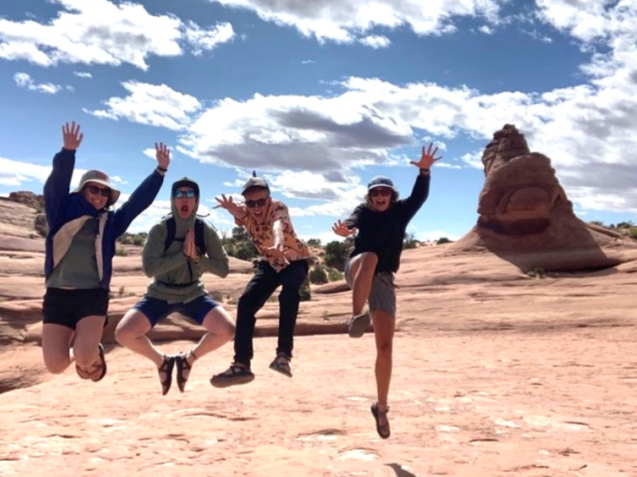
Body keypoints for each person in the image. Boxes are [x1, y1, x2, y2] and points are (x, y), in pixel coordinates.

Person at [42, 120, 169, 382]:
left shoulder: (109, 223)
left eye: (105, 192)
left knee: (84, 357)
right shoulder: (60, 213)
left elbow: (136, 204)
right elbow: (55, 185)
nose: (100, 195)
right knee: (55, 366)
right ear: (83, 190)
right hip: (57, 296)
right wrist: (67, 152)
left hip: (92, 297)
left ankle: (90, 353)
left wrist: (160, 172)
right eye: (94, 189)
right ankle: (85, 348)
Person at [332, 143, 441, 439]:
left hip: (383, 281)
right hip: (358, 268)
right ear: (369, 197)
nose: (380, 196)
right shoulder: (363, 212)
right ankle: (356, 316)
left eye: (384, 192)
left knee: (385, 347)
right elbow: (352, 222)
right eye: (375, 193)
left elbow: (420, 195)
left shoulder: (400, 212)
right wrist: (345, 230)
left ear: (391, 196)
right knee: (370, 257)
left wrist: (424, 171)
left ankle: (381, 407)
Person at [115, 177, 235, 395]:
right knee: (124, 333)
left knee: (226, 330)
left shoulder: (204, 231)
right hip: (160, 293)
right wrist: (183, 256)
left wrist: (197, 258)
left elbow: (223, 269)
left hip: (193, 293)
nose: (184, 199)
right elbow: (150, 269)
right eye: (179, 194)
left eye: (190, 194)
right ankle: (162, 363)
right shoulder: (161, 229)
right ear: (172, 199)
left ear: (197, 200)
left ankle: (188, 360)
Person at [210, 172, 311, 387]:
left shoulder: (278, 208)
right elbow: (240, 212)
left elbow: (278, 226)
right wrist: (231, 208)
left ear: (269, 199)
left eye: (261, 201)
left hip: (294, 260)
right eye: (251, 202)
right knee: (246, 303)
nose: (256, 207)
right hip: (270, 264)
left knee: (289, 294)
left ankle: (283, 356)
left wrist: (278, 243)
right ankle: (241, 365)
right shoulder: (247, 212)